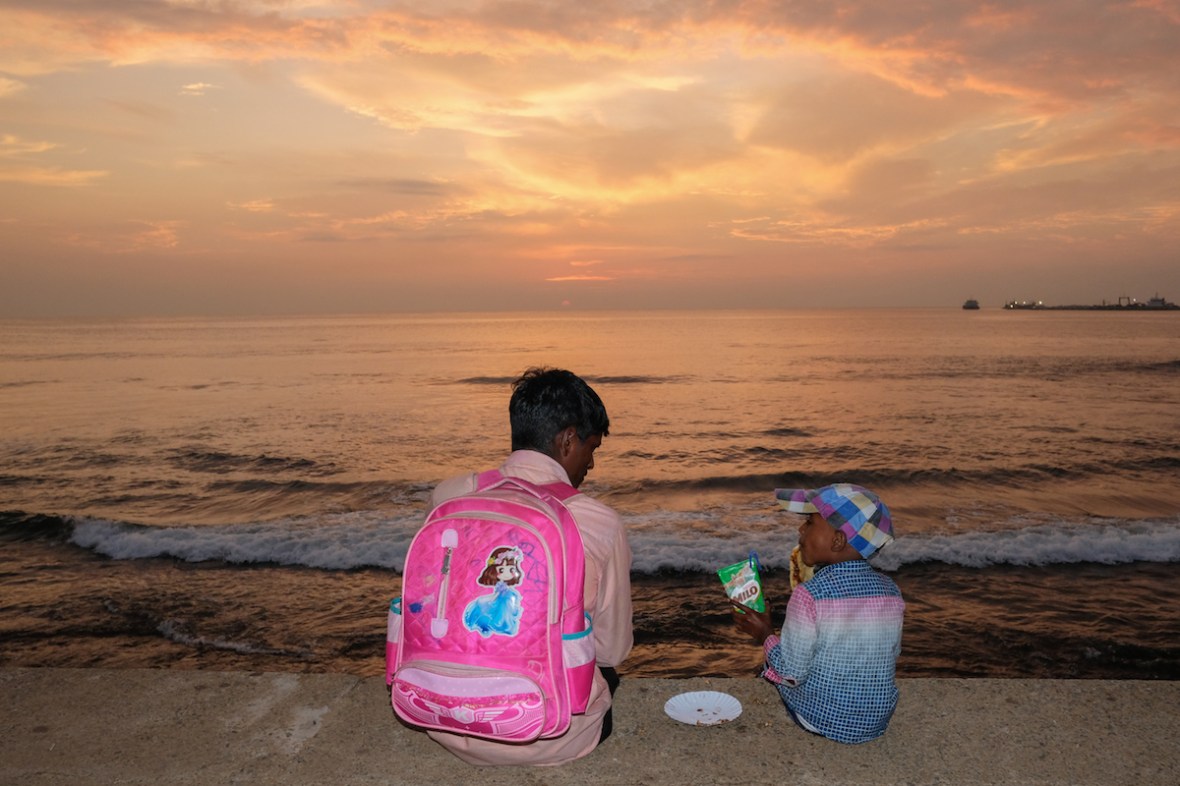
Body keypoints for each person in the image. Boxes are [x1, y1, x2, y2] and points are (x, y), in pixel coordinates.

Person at [424, 367, 633, 765]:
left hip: (445, 719)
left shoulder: (448, 497)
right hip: (553, 736)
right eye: (592, 448)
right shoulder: (597, 522)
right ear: (568, 439)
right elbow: (612, 649)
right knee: (605, 671)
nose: (591, 464)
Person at [732, 483, 904, 744]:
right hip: (876, 721)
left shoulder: (810, 595)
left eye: (810, 523)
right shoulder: (891, 591)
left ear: (838, 540)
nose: (800, 530)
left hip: (821, 720)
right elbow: (890, 653)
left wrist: (765, 633)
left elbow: (791, 674)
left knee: (772, 664)